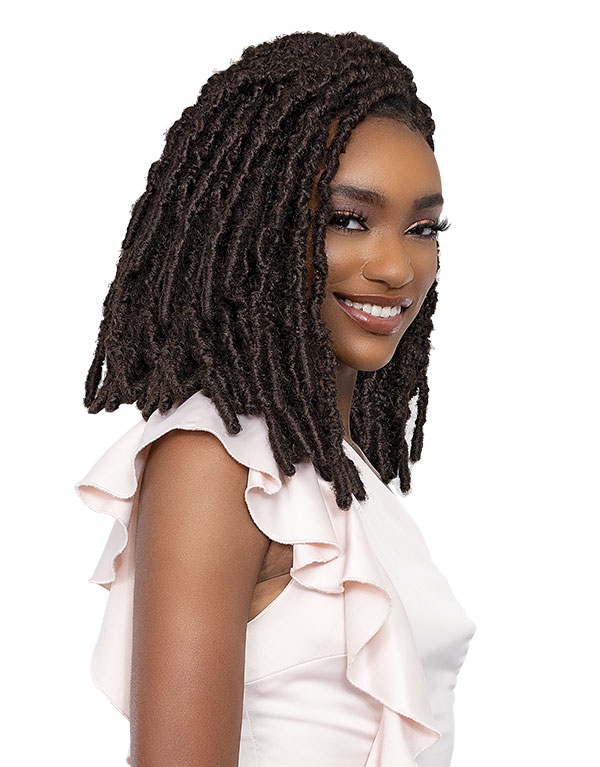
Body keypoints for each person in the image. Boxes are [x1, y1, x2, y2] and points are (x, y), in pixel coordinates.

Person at [74, 31, 476, 767]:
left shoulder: (338, 476)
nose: (396, 266)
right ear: (257, 223)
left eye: (423, 228)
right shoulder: (215, 462)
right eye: (347, 219)